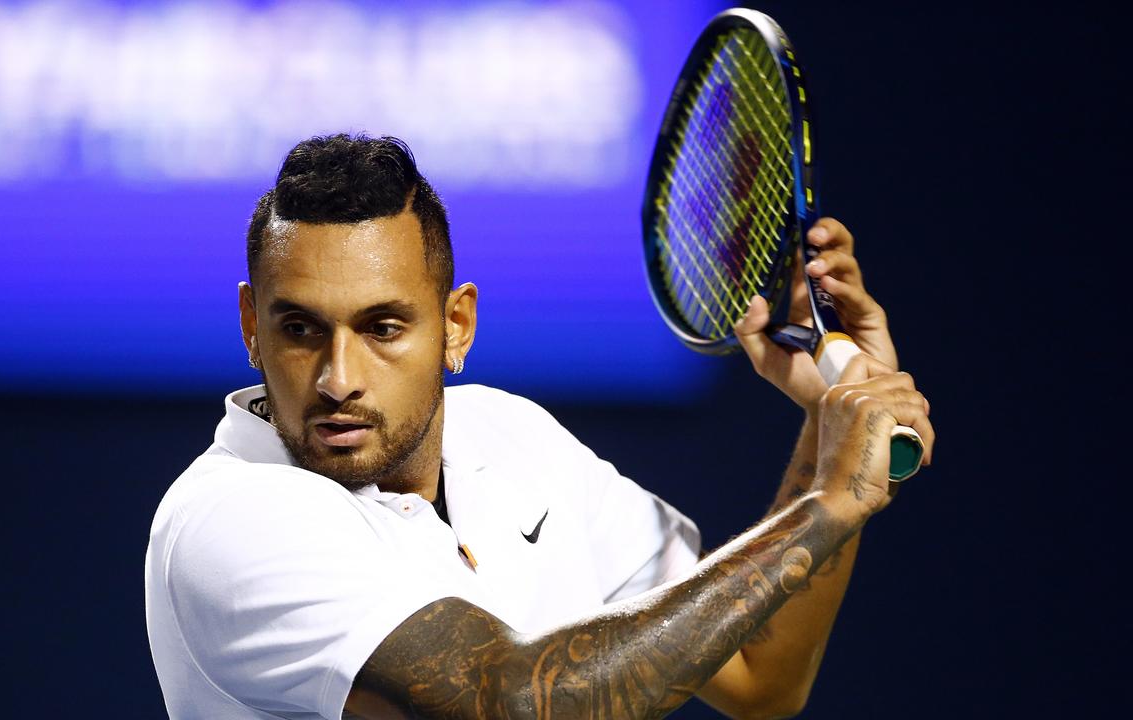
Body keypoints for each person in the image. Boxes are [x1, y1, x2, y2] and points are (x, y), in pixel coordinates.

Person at [144, 134, 934, 719]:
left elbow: (763, 674)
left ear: (456, 326)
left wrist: (825, 431)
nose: (338, 377)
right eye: (301, 329)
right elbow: (517, 704)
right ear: (252, 325)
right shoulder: (230, 518)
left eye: (383, 328)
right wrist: (827, 503)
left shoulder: (514, 437)